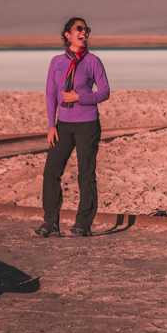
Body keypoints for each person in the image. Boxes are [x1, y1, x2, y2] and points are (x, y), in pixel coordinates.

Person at [33, 17, 110, 238]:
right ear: (67, 34)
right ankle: (50, 222)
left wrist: (81, 97)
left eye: (86, 29)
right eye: (79, 29)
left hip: (87, 124)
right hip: (63, 125)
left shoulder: (93, 61)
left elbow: (104, 92)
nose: (84, 32)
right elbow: (50, 94)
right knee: (51, 172)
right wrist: (51, 125)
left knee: (86, 174)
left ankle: (83, 224)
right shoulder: (57, 61)